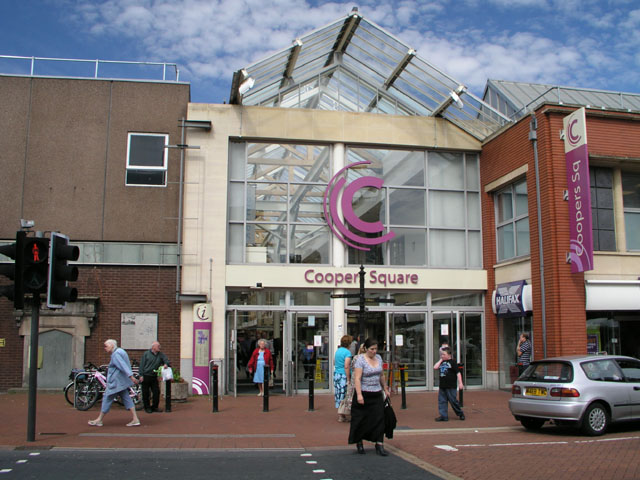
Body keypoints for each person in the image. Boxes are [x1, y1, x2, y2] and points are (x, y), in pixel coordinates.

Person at [348, 338, 391, 456]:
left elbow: (381, 375)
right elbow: (357, 378)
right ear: (366, 349)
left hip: (376, 393)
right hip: (364, 392)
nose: (374, 351)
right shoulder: (360, 360)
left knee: (379, 419)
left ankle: (379, 444)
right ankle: (359, 442)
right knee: (361, 419)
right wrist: (359, 395)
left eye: (376, 349)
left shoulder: (379, 359)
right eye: (372, 349)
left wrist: (385, 389)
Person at [88, 339, 141, 427]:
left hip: (115, 382)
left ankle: (99, 420)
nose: (105, 348)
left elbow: (123, 366)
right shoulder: (121, 351)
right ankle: (135, 418)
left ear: (112, 345)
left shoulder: (116, 354)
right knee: (126, 398)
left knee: (107, 398)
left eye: (106, 346)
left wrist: (131, 376)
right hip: (120, 382)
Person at [434, 346, 465, 422]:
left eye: (444, 354)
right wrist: (441, 360)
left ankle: (460, 413)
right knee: (442, 401)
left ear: (449, 355)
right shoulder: (442, 362)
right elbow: (435, 367)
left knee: (453, 401)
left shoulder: (453, 363)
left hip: (451, 386)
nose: (442, 356)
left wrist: (460, 383)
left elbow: (458, 373)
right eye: (441, 354)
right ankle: (444, 416)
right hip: (442, 386)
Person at [139, 341, 170, 413]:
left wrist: (166, 364)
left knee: (156, 392)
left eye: (159, 346)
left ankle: (155, 407)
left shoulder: (161, 355)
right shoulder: (146, 354)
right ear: (153, 347)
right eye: (158, 346)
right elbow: (142, 365)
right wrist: (141, 375)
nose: (159, 347)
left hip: (154, 376)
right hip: (146, 375)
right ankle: (147, 407)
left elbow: (166, 360)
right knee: (146, 393)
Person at [334, 335, 353, 422]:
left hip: (337, 374)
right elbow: (346, 366)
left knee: (338, 393)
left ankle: (341, 414)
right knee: (345, 394)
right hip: (343, 375)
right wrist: (348, 378)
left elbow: (334, 362)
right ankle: (341, 415)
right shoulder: (347, 353)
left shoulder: (338, 351)